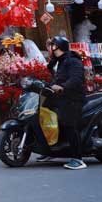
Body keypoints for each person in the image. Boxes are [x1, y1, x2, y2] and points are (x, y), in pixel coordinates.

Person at [47, 36, 87, 170]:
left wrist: (63, 87)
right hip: (61, 98)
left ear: (58, 46)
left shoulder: (73, 61)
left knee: (69, 125)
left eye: (52, 45)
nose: (50, 48)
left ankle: (78, 158)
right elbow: (55, 77)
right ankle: (53, 151)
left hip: (73, 98)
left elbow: (76, 79)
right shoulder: (58, 61)